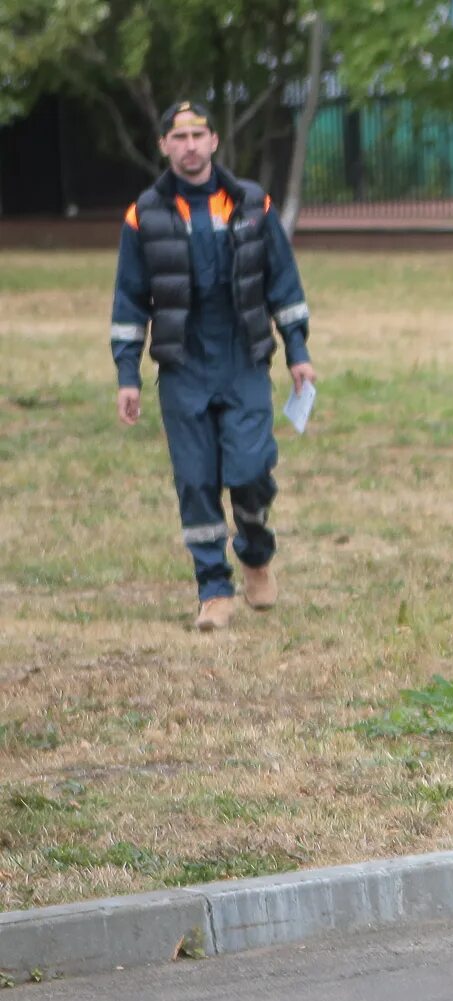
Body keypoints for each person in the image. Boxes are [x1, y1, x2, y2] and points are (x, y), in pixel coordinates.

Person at [110, 100, 315, 631]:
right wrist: (127, 375)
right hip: (181, 367)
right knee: (196, 481)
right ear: (164, 146)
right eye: (179, 136)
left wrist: (298, 352)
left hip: (243, 359)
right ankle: (213, 590)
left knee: (249, 471)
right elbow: (130, 302)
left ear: (215, 140)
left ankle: (254, 551)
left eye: (199, 133)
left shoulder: (253, 204)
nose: (191, 144)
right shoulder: (144, 215)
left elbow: (284, 285)